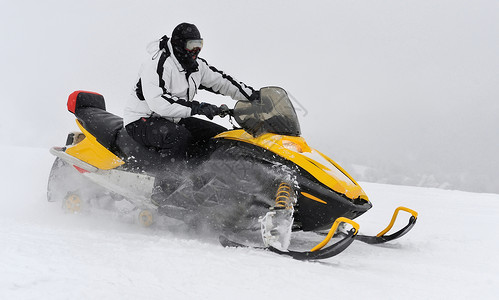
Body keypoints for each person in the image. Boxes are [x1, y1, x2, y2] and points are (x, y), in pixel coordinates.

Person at [124, 23, 259, 161]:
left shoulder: (196, 66)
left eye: (199, 45)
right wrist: (198, 108)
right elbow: (159, 103)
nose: (196, 50)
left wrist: (254, 96)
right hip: (141, 120)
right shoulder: (158, 64)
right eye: (191, 45)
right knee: (178, 136)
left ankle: (203, 175)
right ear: (179, 44)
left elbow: (222, 82)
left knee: (220, 136)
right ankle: (168, 181)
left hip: (173, 117)